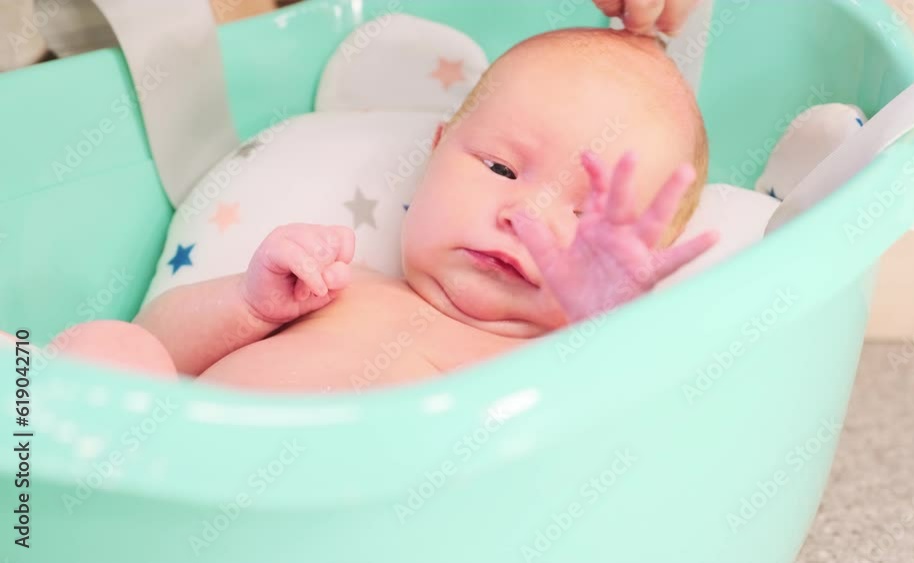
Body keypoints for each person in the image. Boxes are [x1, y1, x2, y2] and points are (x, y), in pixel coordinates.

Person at [7, 25, 716, 392]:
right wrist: (250, 305)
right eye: (500, 167)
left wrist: (607, 325)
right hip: (169, 471)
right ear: (435, 153)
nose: (521, 213)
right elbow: (161, 338)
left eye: (588, 220)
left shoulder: (549, 365)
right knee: (113, 347)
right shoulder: (339, 287)